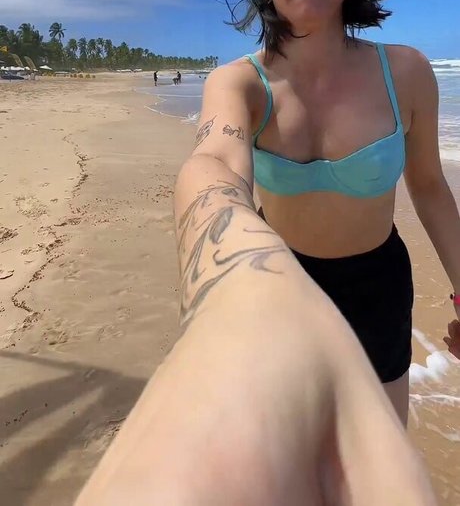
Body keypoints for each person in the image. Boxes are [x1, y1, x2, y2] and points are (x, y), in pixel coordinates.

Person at [189, 0, 459, 427]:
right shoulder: (239, 85)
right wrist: (210, 276)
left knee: (378, 454)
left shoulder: (406, 72)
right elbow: (215, 168)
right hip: (277, 282)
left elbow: (429, 188)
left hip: (377, 289)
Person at [76, 159, 437, 504]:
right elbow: (217, 160)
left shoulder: (411, 105)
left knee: (373, 476)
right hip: (276, 274)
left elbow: (429, 186)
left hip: (378, 293)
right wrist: (242, 281)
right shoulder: (250, 105)